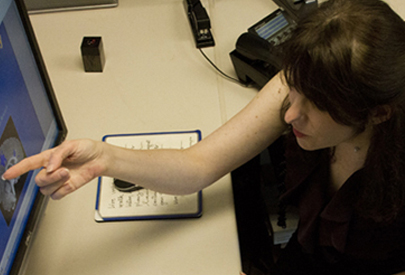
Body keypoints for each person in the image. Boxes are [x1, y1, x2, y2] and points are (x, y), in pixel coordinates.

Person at [3, 0, 405, 274]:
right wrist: (103, 158)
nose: (290, 113)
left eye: (315, 105)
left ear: (377, 113)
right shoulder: (308, 84)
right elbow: (198, 166)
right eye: (292, 88)